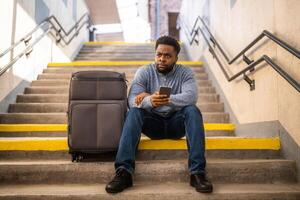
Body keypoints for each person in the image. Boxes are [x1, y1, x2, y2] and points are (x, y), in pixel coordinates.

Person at [105, 36, 213, 193]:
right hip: (153, 124)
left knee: (192, 110)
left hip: (176, 124)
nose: (162, 59)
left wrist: (160, 98)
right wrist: (150, 101)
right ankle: (124, 172)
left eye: (168, 56)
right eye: (159, 54)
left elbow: (191, 97)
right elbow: (133, 100)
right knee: (134, 112)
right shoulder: (144, 71)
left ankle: (197, 173)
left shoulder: (185, 73)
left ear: (176, 57)